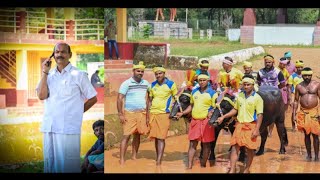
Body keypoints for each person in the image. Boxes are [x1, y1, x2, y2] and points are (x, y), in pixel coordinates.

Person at [36, 42, 98, 173]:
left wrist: (76, 113)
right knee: (50, 164)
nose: (60, 54)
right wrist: (44, 72)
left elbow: (93, 98)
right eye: (57, 52)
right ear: (53, 55)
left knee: (68, 166)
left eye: (63, 52)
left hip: (68, 128)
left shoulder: (79, 74)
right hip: (49, 127)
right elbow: (41, 96)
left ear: (69, 55)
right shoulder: (49, 75)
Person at [216, 75, 264, 173]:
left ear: (252, 85)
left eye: (248, 85)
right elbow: (235, 109)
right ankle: (232, 169)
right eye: (244, 85)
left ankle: (246, 169)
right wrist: (224, 116)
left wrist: (257, 129)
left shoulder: (258, 98)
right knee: (234, 147)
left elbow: (260, 115)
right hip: (239, 125)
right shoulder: (240, 96)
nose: (246, 87)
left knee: (250, 149)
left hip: (251, 126)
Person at [175, 72, 217, 169]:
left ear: (208, 81)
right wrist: (182, 113)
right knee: (192, 143)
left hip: (206, 122)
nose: (202, 82)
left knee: (206, 144)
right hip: (195, 121)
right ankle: (189, 166)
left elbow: (215, 108)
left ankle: (203, 165)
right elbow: (191, 106)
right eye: (200, 80)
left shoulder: (213, 93)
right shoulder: (194, 92)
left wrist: (211, 113)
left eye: (204, 80)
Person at [117, 61, 150, 165]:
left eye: (142, 71)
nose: (140, 73)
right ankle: (122, 159)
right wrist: (120, 114)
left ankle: (134, 156)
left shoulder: (146, 83)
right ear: (133, 71)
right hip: (129, 113)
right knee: (126, 136)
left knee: (137, 135)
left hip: (142, 113)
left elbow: (150, 97)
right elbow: (119, 98)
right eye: (138, 71)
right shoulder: (126, 83)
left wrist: (148, 114)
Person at [148, 66, 177, 166]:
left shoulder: (171, 84)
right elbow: (150, 100)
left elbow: (176, 99)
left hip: (164, 114)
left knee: (161, 137)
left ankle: (159, 161)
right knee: (156, 137)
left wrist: (174, 113)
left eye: (160, 73)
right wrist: (148, 114)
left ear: (164, 73)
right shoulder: (152, 85)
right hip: (153, 113)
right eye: (156, 74)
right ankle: (158, 156)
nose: (158, 75)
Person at [293, 67, 320, 161]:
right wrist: (293, 115)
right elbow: (296, 101)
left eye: (309, 75)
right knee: (306, 134)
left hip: (314, 112)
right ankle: (309, 155)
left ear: (311, 75)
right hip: (303, 112)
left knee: (315, 135)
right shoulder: (299, 86)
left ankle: (317, 156)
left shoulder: (317, 84)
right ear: (302, 75)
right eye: (305, 75)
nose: (307, 77)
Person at [288, 60, 304, 129]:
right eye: (298, 67)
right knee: (294, 110)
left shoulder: (304, 75)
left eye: (301, 67)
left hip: (303, 95)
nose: (300, 69)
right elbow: (289, 87)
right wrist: (290, 98)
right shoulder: (292, 76)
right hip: (294, 94)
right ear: (296, 68)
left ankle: (301, 125)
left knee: (302, 110)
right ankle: (293, 126)